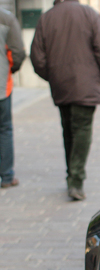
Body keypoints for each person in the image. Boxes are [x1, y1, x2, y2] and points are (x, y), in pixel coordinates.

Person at [30, 0, 100, 201]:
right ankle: (76, 180)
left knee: (68, 130)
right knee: (81, 130)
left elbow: (37, 58)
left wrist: (53, 76)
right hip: (86, 84)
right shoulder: (90, 15)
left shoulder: (46, 18)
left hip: (61, 84)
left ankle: (71, 175)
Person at [0, 8, 25, 189]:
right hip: (1, 85)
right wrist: (10, 69)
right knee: (5, 129)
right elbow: (17, 52)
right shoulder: (6, 18)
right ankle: (7, 176)